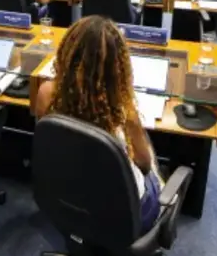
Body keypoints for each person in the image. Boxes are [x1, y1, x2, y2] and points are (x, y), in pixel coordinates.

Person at [32, 16, 162, 234]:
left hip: (68, 197)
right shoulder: (122, 106)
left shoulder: (46, 92)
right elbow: (144, 164)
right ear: (117, 67)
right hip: (125, 214)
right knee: (149, 157)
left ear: (67, 52)